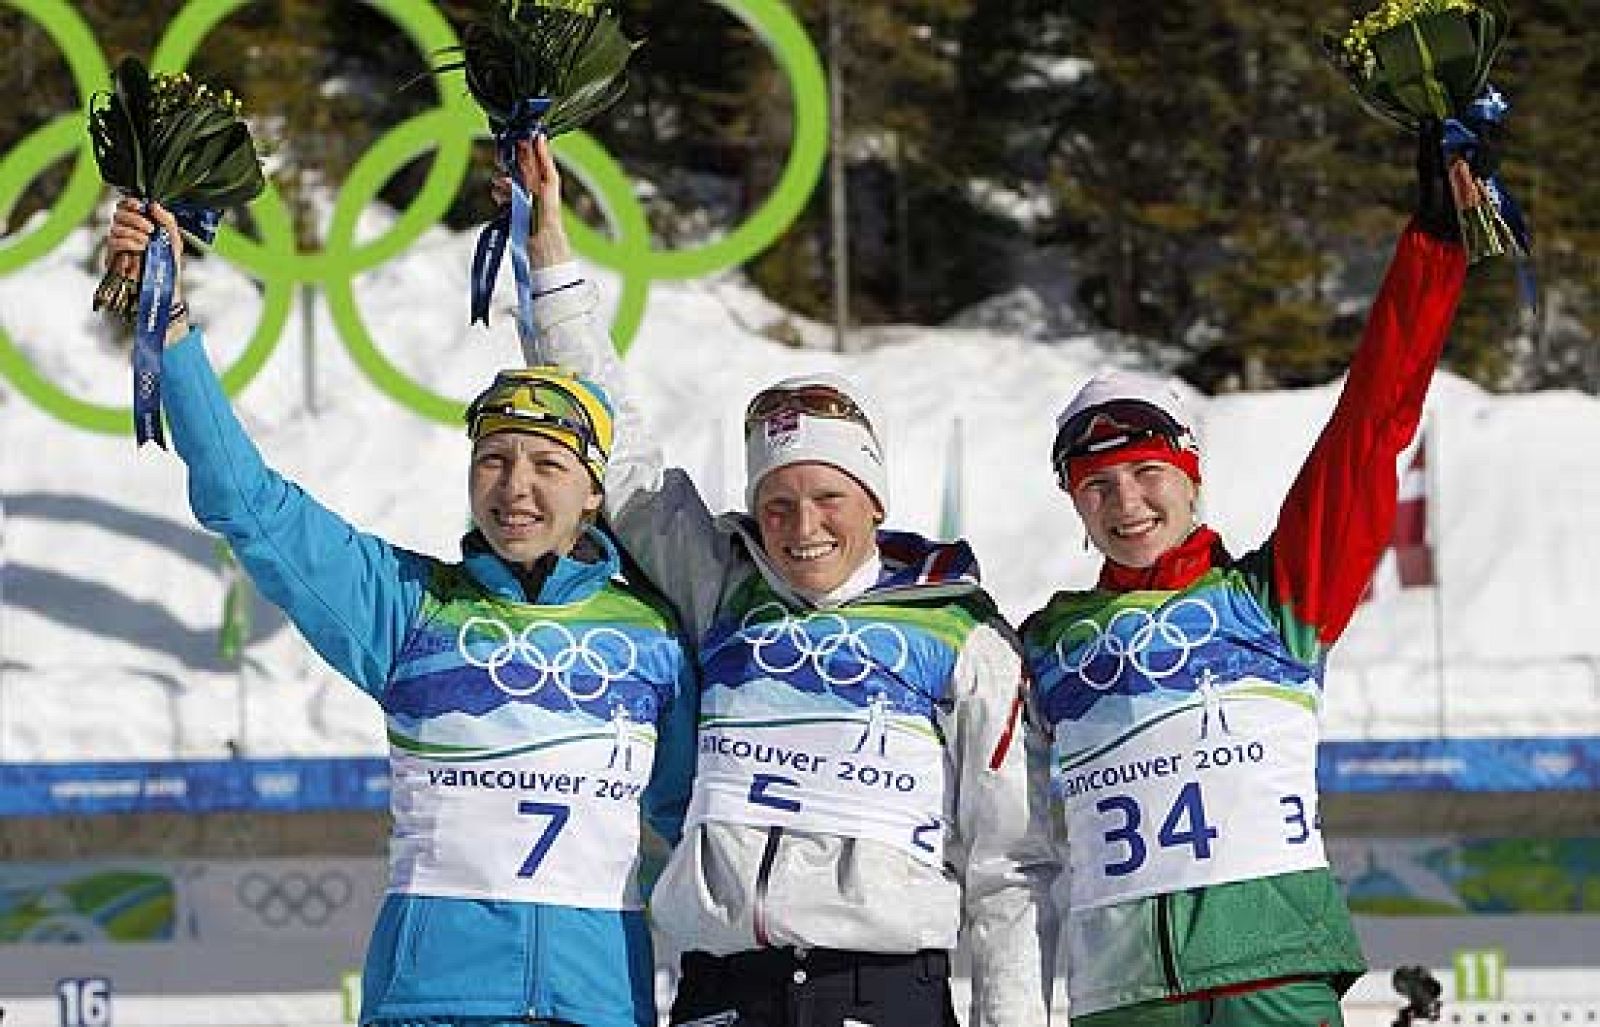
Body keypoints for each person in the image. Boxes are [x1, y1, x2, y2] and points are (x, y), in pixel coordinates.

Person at [500, 136, 1059, 1027]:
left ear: (874, 501)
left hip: (882, 987)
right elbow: (622, 449)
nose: (803, 527)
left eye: (829, 497)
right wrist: (550, 260)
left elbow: (1010, 861)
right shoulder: (725, 587)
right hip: (725, 988)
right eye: (779, 501)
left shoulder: (962, 634)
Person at [107, 198, 696, 1027]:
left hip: (596, 1007)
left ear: (595, 490)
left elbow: (704, 819)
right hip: (431, 1005)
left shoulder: (651, 638)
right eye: (492, 459)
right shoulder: (412, 608)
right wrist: (169, 326)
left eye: (545, 464)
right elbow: (249, 502)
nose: (514, 487)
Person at [1020, 128, 1470, 1025]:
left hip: (1275, 978)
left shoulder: (1277, 599)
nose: (1127, 503)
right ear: (1076, 504)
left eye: (1149, 474)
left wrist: (1433, 244)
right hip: (1124, 996)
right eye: (1097, 486)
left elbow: (1373, 422)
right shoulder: (1040, 645)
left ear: (1192, 477)